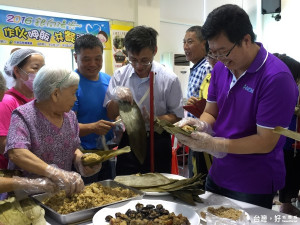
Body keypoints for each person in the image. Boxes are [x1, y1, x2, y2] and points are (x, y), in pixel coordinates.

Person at [175, 4, 298, 209]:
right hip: (219, 172)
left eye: (223, 52)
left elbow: (265, 141)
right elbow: (211, 112)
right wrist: (199, 126)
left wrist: (216, 145)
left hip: (253, 182)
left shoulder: (276, 78)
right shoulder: (220, 69)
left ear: (246, 40)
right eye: (213, 53)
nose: (220, 60)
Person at [4, 66, 102, 196]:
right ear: (55, 94)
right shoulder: (23, 115)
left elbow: (73, 148)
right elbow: (17, 153)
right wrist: (53, 172)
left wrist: (81, 162)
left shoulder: (70, 116)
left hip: (59, 196)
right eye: (73, 93)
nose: (75, 99)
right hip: (28, 197)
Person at [104, 25, 184, 175]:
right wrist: (116, 97)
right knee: (126, 185)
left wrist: (156, 120)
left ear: (154, 50)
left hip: (158, 140)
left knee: (158, 187)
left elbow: (177, 115)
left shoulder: (169, 79)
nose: (138, 66)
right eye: (133, 60)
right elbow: (110, 113)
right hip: (129, 139)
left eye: (144, 60)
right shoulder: (120, 76)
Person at [72, 34, 115, 184]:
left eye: (98, 58)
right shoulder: (70, 83)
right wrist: (92, 127)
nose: (93, 64)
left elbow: (112, 113)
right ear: (75, 57)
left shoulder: (108, 80)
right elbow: (64, 128)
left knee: (108, 195)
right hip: (81, 155)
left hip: (106, 151)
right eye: (86, 59)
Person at [0, 48, 45, 169]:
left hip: (38, 168)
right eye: (35, 68)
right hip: (15, 172)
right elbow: (3, 144)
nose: (41, 73)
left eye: (43, 68)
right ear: (17, 71)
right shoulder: (7, 102)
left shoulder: (41, 100)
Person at [183, 26, 212, 178]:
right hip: (194, 133)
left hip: (203, 133)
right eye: (184, 42)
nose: (185, 47)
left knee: (199, 177)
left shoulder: (207, 67)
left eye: (190, 42)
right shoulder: (197, 67)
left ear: (204, 44)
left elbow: (210, 103)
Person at [273, 53, 300, 216]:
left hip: (290, 142)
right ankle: (286, 206)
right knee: (288, 176)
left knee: (292, 177)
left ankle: (288, 203)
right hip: (287, 142)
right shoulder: (282, 87)